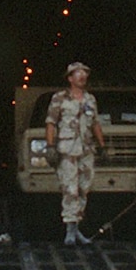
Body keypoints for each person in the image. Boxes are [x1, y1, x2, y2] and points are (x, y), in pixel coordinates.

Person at [45, 61, 106, 244]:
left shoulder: (90, 100)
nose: (82, 76)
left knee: (83, 188)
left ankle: (77, 227)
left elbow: (95, 123)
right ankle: (70, 232)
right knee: (69, 188)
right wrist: (50, 146)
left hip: (86, 149)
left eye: (84, 73)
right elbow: (51, 122)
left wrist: (102, 146)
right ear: (70, 78)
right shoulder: (60, 98)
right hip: (67, 150)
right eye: (78, 73)